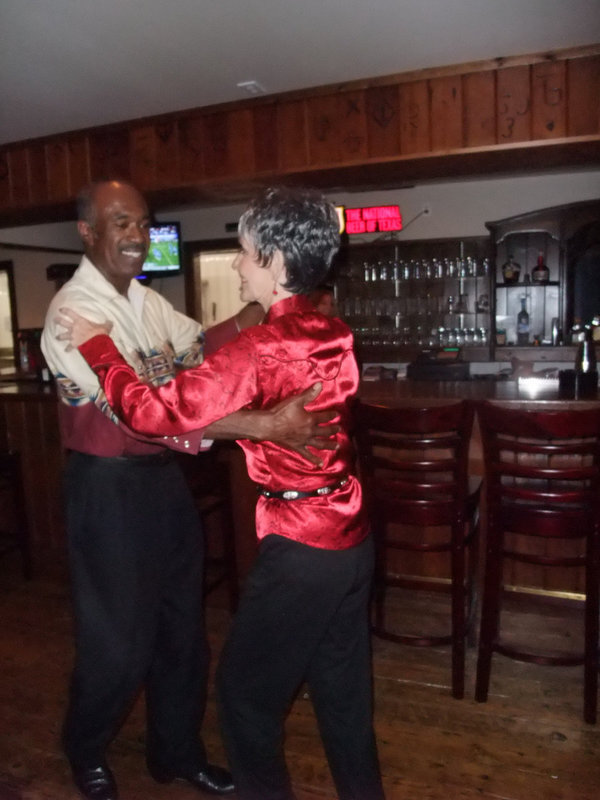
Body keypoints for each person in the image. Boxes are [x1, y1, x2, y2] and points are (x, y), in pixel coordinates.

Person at [55, 186, 386, 800]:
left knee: (243, 699)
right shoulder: (334, 331)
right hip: (351, 536)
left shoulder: (259, 349)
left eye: (244, 252)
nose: (237, 263)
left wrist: (99, 345)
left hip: (302, 548)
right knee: (344, 699)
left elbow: (154, 413)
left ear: (277, 263)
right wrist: (259, 422)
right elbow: (207, 356)